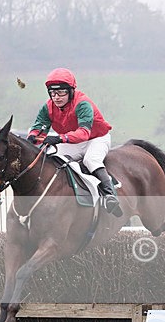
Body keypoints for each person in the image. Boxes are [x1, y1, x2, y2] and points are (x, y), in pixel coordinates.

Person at [26, 68, 121, 217]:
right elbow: (39, 127)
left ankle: (110, 195)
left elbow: (83, 133)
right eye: (52, 93)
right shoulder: (48, 107)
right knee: (51, 158)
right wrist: (32, 136)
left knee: (91, 160)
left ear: (71, 91)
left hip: (96, 138)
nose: (56, 97)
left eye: (61, 92)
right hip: (73, 141)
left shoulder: (82, 104)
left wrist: (59, 139)